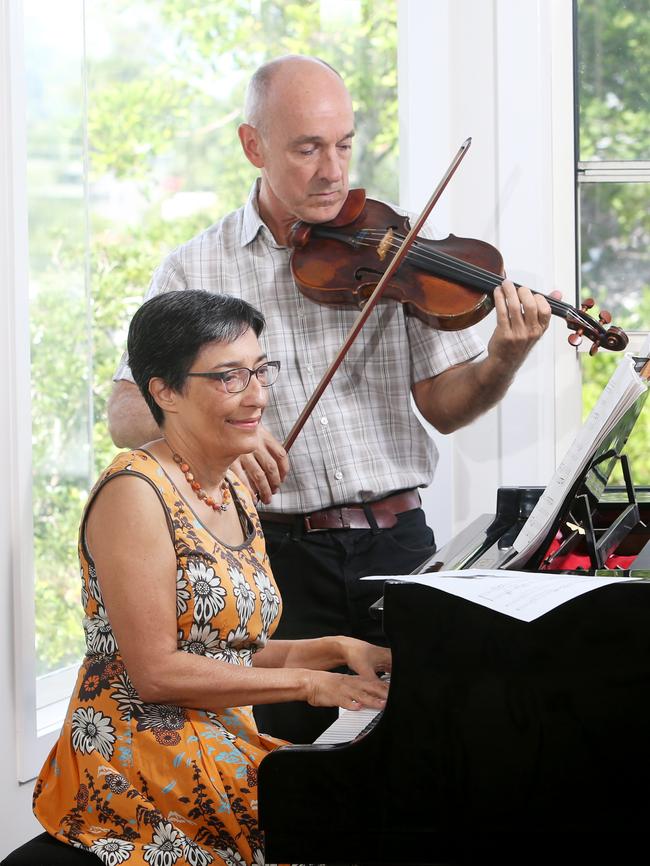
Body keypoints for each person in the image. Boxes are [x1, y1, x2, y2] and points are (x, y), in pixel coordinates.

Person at [107, 54, 553, 743]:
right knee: (290, 773)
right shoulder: (194, 268)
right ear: (253, 146)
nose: (332, 170)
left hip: (400, 546)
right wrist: (234, 434)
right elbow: (127, 413)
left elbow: (443, 404)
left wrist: (503, 355)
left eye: (344, 144)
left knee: (436, 753)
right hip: (276, 558)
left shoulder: (394, 243)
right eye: (307, 148)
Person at [32, 290, 391, 866]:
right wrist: (309, 684)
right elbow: (157, 672)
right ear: (164, 391)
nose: (257, 396)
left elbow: (231, 650)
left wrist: (338, 648)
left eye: (259, 371)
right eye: (229, 377)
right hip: (137, 769)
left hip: (217, 745)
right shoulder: (135, 492)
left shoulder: (232, 487)